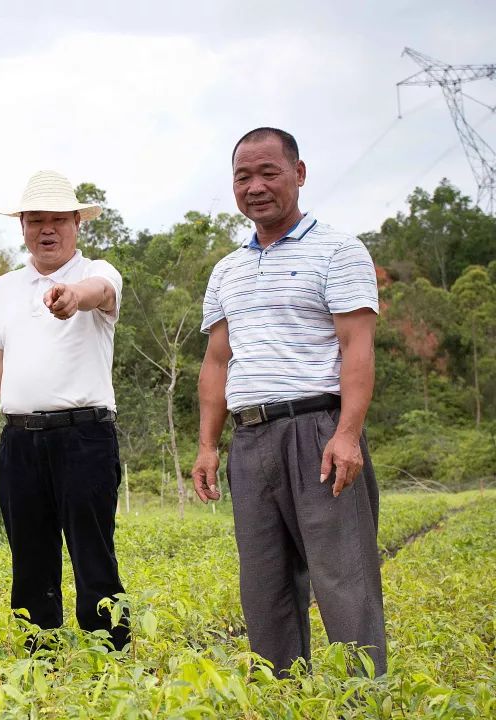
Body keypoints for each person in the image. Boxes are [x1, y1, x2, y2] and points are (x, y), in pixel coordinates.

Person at [191, 127, 386, 677]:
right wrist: (209, 445)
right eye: (243, 176)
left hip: (318, 429)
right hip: (251, 438)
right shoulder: (226, 269)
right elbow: (217, 361)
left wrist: (346, 434)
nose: (255, 186)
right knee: (264, 582)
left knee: (344, 578)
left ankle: (362, 699)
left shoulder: (340, 251)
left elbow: (357, 348)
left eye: (268, 172)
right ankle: (282, 695)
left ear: (298, 174)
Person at [0, 170, 129, 650]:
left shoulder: (98, 273)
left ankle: (111, 657)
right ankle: (39, 655)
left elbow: (99, 294)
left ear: (77, 224)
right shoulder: (6, 287)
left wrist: (72, 298)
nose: (47, 229)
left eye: (58, 220)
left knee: (94, 553)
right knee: (29, 557)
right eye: (35, 220)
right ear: (22, 226)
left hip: (85, 437)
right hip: (21, 440)